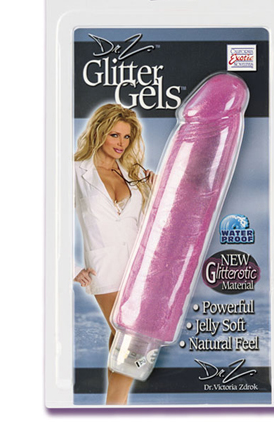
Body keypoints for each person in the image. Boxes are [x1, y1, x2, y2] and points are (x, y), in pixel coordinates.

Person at [73, 104, 155, 405]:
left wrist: (155, 191)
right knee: (127, 333)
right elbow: (48, 222)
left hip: (138, 265)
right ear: (99, 133)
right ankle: (116, 407)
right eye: (114, 135)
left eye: (127, 137)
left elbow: (146, 222)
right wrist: (71, 268)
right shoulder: (75, 171)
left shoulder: (134, 174)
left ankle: (114, 407)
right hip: (104, 267)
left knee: (123, 337)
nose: (121, 143)